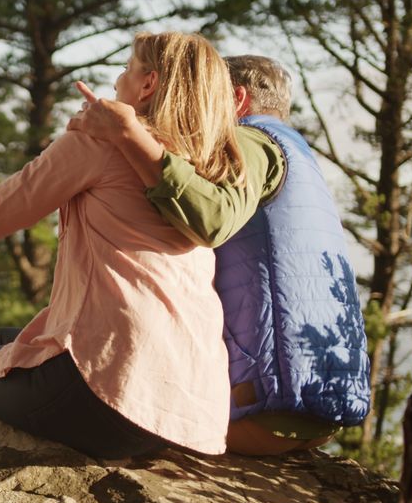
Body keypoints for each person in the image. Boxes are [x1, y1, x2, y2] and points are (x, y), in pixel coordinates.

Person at [0, 32, 244, 459]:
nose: (117, 80)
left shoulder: (100, 140)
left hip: (113, 393)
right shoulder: (211, 164)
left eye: (126, 68)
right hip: (192, 410)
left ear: (149, 83)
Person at [67, 55, 370, 455]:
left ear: (238, 100)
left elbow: (213, 217)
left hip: (263, 406)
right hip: (314, 405)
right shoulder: (299, 157)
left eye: (207, 94)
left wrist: (127, 135)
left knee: (67, 386)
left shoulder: (250, 141)